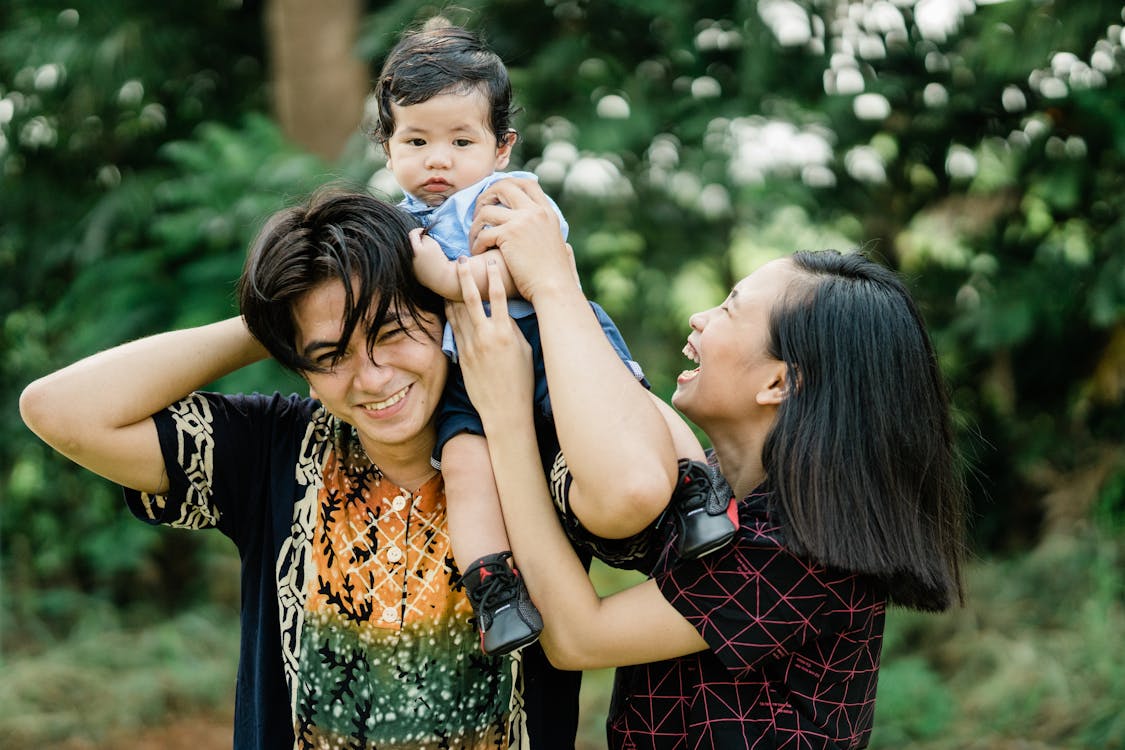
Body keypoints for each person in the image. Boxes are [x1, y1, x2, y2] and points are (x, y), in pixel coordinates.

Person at [19, 189, 574, 749]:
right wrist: (276, 322)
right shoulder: (272, 450)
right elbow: (58, 410)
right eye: (331, 356)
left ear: (441, 316)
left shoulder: (536, 444)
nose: (373, 377)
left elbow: (645, 489)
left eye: (390, 333)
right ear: (302, 368)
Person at [446, 178, 968, 748]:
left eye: (729, 309)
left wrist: (507, 417)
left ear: (780, 382)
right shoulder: (713, 487)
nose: (699, 317)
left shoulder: (806, 552)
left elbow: (577, 638)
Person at [372, 18, 738, 655]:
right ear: (388, 147)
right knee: (461, 464)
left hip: (555, 337)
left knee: (634, 401)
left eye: (461, 140)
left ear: (501, 146)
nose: (438, 159)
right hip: (469, 372)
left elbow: (526, 269)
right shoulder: (391, 226)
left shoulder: (508, 196)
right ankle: (493, 585)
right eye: (417, 140)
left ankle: (697, 488)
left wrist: (441, 273)